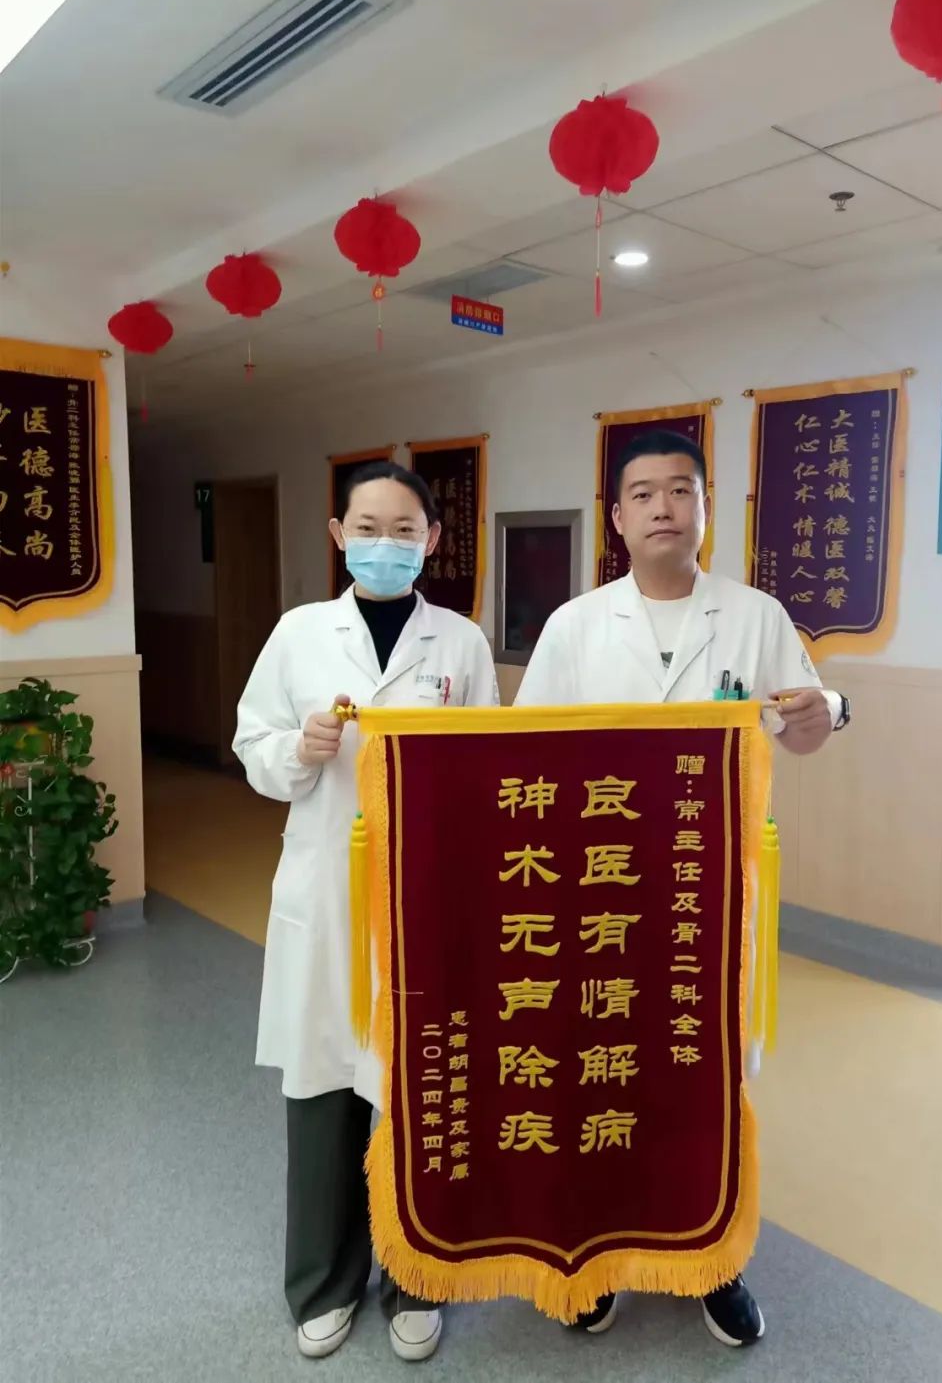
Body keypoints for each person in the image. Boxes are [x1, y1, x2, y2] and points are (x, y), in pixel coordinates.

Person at [514, 428, 850, 1347]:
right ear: (616, 517)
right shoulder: (576, 626)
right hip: (597, 894)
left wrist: (827, 709)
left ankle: (714, 1259)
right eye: (644, 493)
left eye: (680, 490)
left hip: (712, 894)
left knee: (707, 1080)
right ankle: (597, 1255)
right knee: (600, 1070)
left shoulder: (756, 616)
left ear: (705, 507)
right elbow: (523, 755)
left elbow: (805, 729)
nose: (663, 507)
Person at [234, 460, 499, 1363]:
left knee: (423, 1088)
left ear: (433, 540)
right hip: (326, 896)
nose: (387, 544)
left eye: (405, 530)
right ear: (338, 535)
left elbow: (490, 770)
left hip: (428, 896)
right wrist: (301, 748)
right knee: (324, 1088)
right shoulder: (300, 633)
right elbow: (253, 743)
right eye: (369, 528)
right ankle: (324, 1283)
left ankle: (419, 1279)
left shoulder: (460, 643)